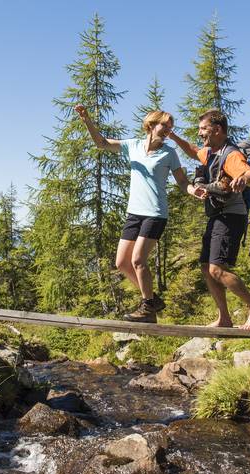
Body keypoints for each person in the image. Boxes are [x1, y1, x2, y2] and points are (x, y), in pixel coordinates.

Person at [75, 105, 205, 322]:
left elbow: (182, 182)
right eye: (165, 125)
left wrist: (193, 190)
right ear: (151, 124)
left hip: (155, 213)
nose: (168, 130)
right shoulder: (133, 146)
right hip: (134, 213)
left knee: (138, 260)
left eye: (171, 127)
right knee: (121, 263)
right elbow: (102, 143)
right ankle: (152, 301)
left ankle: (147, 309)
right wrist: (87, 119)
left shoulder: (169, 153)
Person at [168, 109, 250, 330]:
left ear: (218, 129)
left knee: (216, 269)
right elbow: (193, 151)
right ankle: (224, 317)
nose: (200, 132)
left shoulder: (230, 155)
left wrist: (243, 179)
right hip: (217, 215)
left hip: (231, 216)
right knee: (206, 267)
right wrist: (173, 137)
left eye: (204, 128)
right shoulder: (211, 152)